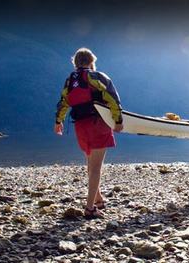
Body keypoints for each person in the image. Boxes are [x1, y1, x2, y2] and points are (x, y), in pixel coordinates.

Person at [54, 48, 123, 219]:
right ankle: (90, 208)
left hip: (80, 125)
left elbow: (64, 102)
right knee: (96, 168)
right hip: (98, 123)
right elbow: (112, 98)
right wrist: (118, 120)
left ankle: (98, 198)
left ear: (75, 63)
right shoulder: (96, 76)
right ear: (92, 61)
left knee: (90, 163)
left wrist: (58, 122)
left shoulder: (70, 80)